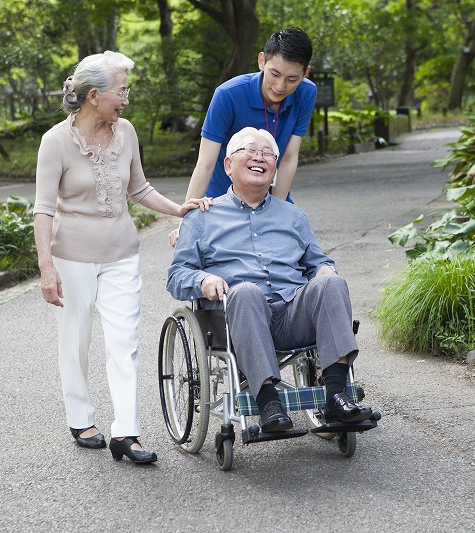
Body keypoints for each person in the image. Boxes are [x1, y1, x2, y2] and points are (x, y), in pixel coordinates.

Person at [34, 51, 210, 464]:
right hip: (71, 255)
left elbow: (140, 188)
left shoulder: (126, 131)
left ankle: (126, 433)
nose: (126, 99)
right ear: (94, 95)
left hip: (121, 254)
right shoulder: (55, 141)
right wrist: (46, 267)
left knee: (125, 340)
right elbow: (42, 208)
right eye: (121, 91)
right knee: (75, 339)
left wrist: (178, 208)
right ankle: (80, 418)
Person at [166, 127, 372, 432]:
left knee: (332, 283)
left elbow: (319, 261)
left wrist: (326, 269)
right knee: (246, 290)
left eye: (267, 154)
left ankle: (337, 396)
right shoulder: (202, 217)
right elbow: (176, 276)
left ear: (275, 169)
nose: (259, 158)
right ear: (228, 165)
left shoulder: (293, 216)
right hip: (238, 317)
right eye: (249, 151)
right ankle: (268, 403)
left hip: (292, 315)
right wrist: (203, 280)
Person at [168, 27, 317, 246]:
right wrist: (187, 220)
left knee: (294, 256)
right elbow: (205, 163)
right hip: (220, 200)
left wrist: (273, 212)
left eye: (292, 79)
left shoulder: (306, 92)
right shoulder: (228, 95)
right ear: (261, 61)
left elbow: (288, 157)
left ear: (305, 73)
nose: (280, 86)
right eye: (274, 74)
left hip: (269, 196)